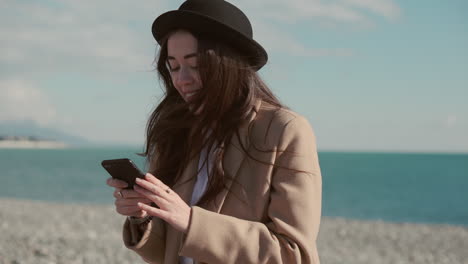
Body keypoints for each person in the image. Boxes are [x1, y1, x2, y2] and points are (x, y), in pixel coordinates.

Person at [106, 0, 322, 263]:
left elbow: (294, 254)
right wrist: (143, 216)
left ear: (229, 63)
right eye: (173, 66)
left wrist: (191, 222)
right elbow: (167, 254)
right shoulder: (176, 132)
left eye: (195, 64)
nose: (182, 79)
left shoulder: (285, 130)